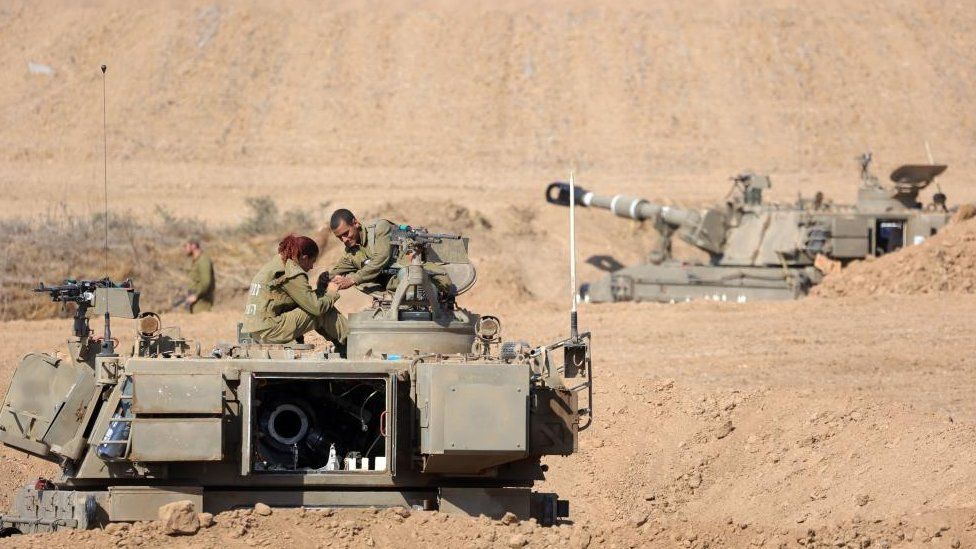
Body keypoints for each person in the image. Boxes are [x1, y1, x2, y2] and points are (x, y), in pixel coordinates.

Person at [242, 234, 347, 353]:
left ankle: (343, 344)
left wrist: (321, 289)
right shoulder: (292, 272)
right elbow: (316, 308)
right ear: (304, 257)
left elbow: (301, 300)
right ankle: (352, 342)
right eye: (312, 262)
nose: (312, 267)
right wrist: (331, 292)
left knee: (317, 306)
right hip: (270, 330)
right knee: (323, 311)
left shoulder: (279, 263)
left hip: (258, 330)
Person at [328, 209, 451, 295]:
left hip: (412, 272)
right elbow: (335, 272)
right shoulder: (353, 252)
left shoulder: (380, 228)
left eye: (346, 233)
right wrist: (326, 281)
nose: (344, 240)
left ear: (356, 223)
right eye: (340, 237)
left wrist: (352, 279)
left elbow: (381, 258)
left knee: (437, 283)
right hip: (393, 285)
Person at [184, 239, 215, 313]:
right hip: (192, 298)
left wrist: (196, 295)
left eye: (186, 246)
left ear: (193, 246)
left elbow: (206, 282)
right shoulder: (193, 260)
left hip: (201, 301)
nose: (184, 249)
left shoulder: (203, 260)